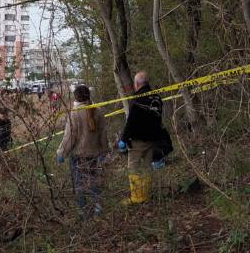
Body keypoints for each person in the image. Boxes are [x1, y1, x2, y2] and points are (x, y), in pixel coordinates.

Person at [56, 85, 108, 218]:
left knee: (79, 183)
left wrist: (61, 153)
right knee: (93, 180)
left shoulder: (74, 113)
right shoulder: (98, 111)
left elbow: (69, 137)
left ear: (76, 97)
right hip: (94, 154)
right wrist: (104, 151)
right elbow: (103, 134)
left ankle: (83, 211)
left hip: (78, 156)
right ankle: (98, 207)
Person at [117, 72, 167, 205]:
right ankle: (147, 194)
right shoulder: (156, 97)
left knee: (133, 167)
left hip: (137, 140)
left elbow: (131, 121)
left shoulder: (137, 98)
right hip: (153, 138)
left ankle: (137, 197)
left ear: (137, 84)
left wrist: (123, 138)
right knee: (147, 167)